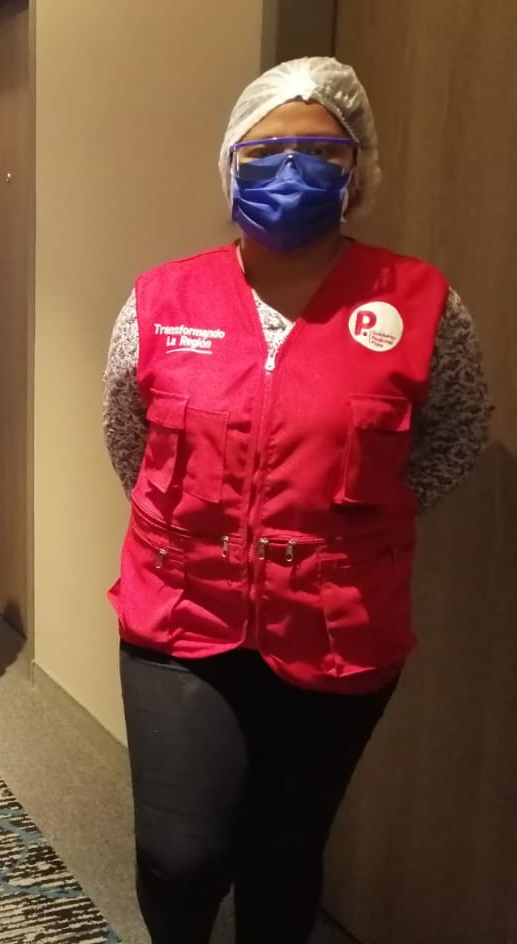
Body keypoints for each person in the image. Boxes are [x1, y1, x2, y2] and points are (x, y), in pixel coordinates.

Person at [102, 57, 490, 944]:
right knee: (181, 857)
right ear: (229, 165)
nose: (290, 169)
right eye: (265, 150)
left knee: (284, 855)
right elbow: (130, 437)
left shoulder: (422, 303)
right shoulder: (162, 299)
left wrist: (348, 526)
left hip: (339, 621)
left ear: (358, 168)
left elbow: (457, 435)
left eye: (320, 151)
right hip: (180, 613)